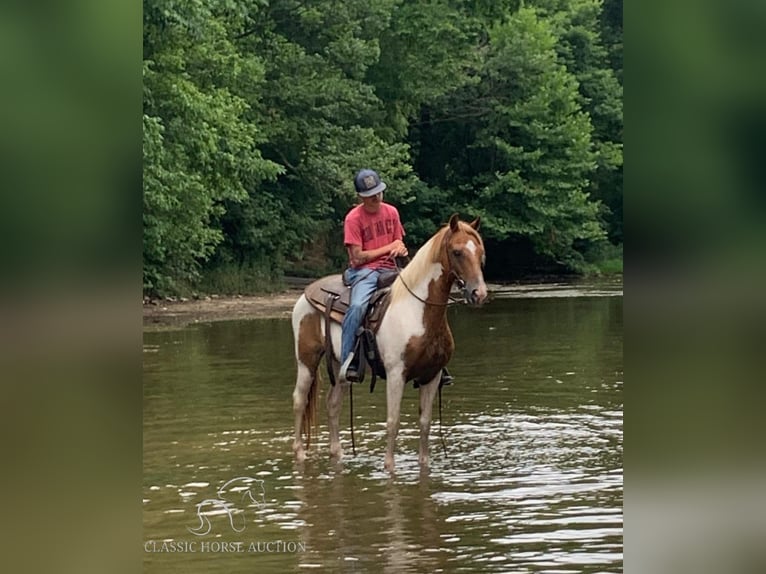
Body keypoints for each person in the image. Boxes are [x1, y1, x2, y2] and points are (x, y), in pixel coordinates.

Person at [339, 169, 408, 383]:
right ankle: (348, 359)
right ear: (361, 197)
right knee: (358, 306)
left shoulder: (392, 212)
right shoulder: (353, 219)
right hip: (365, 271)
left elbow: (398, 242)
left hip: (391, 268)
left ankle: (433, 359)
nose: (377, 197)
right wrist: (390, 247)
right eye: (371, 195)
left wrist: (401, 250)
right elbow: (357, 257)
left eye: (379, 192)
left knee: (422, 294)